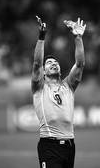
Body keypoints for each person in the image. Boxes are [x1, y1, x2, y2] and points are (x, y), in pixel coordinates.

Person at [31, 15, 86, 168]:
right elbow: (36, 64)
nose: (53, 64)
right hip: (49, 145)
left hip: (69, 145)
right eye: (49, 63)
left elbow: (80, 64)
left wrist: (78, 38)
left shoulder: (68, 85)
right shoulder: (39, 87)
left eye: (55, 62)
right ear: (43, 72)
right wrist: (42, 37)